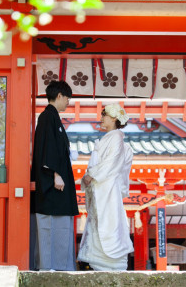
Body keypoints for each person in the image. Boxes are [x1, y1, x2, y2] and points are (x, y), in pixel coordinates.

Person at [77, 103, 134, 271]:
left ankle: (111, 262)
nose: (101, 119)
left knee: (108, 222)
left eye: (104, 116)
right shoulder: (110, 137)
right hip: (102, 188)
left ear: (114, 118)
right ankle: (99, 261)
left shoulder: (116, 137)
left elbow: (111, 163)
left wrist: (91, 174)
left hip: (107, 189)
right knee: (101, 221)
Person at [31, 80, 79, 271]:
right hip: (53, 184)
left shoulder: (53, 117)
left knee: (60, 226)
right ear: (59, 95)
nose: (68, 102)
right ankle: (50, 267)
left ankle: (61, 266)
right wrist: (56, 174)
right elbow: (48, 147)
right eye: (67, 98)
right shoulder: (47, 117)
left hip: (58, 183)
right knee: (49, 225)